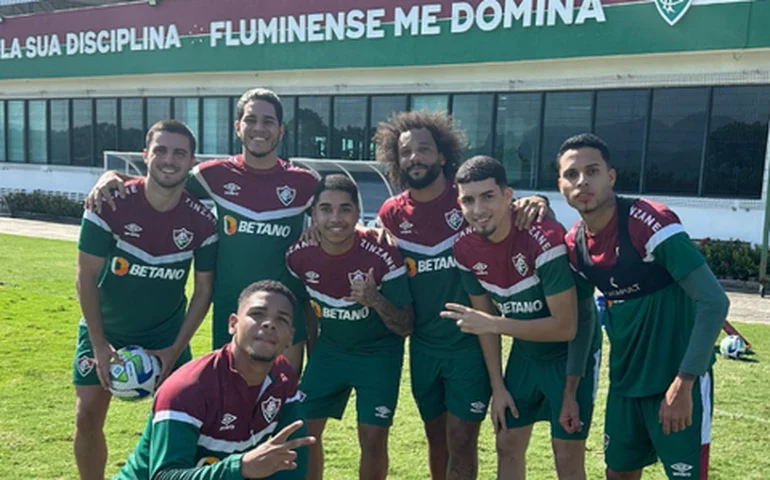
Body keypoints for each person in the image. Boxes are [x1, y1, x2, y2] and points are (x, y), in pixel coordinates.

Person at [85, 88, 318, 372]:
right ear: (237, 127)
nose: (259, 128)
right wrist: (112, 176)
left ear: (280, 130)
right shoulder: (213, 175)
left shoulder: (306, 182)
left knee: (282, 401)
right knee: (230, 403)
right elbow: (163, 178)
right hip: (232, 313)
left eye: (268, 121)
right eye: (251, 119)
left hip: (285, 313)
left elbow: (339, 216)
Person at [373, 110, 548, 480]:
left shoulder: (469, 199)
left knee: (463, 438)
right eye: (406, 152)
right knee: (436, 438)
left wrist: (535, 203)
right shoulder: (391, 213)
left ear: (442, 155)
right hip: (423, 346)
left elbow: (506, 209)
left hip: (470, 345)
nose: (415, 159)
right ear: (396, 159)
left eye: (424, 150)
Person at [556, 133, 729, 480]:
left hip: (677, 383)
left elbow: (713, 301)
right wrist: (571, 392)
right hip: (625, 387)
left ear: (611, 176)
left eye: (592, 171)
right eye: (571, 174)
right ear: (560, 184)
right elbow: (583, 318)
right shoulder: (575, 244)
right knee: (617, 474)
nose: (582, 182)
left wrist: (684, 384)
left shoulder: (647, 221)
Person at [74, 120, 217, 480]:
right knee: (87, 416)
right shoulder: (110, 203)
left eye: (179, 153)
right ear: (145, 155)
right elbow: (85, 276)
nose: (170, 160)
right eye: (161, 151)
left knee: (175, 424)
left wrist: (174, 350)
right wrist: (99, 344)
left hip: (165, 337)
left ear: (191, 161)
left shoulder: (203, 221)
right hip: (107, 331)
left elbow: (203, 291)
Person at [443, 155, 600, 480]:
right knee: (507, 443)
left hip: (570, 357)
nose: (478, 209)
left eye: (488, 196)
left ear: (507, 195)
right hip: (526, 355)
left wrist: (496, 324)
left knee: (567, 456)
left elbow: (565, 326)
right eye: (468, 200)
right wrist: (497, 387)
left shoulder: (542, 235)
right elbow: (483, 320)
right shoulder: (464, 248)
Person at [115, 280, 316, 479]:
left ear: (290, 336)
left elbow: (294, 460)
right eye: (257, 314)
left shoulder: (283, 376)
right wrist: (240, 468)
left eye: (281, 320)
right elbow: (165, 476)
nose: (269, 324)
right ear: (233, 324)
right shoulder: (186, 389)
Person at [286, 174, 414, 480]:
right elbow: (302, 308)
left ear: (358, 213)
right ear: (313, 214)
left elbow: (407, 325)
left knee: (372, 438)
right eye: (326, 209)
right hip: (330, 352)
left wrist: (376, 300)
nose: (335, 218)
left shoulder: (382, 254)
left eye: (345, 209)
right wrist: (313, 353)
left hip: (378, 354)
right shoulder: (298, 256)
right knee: (302, 431)